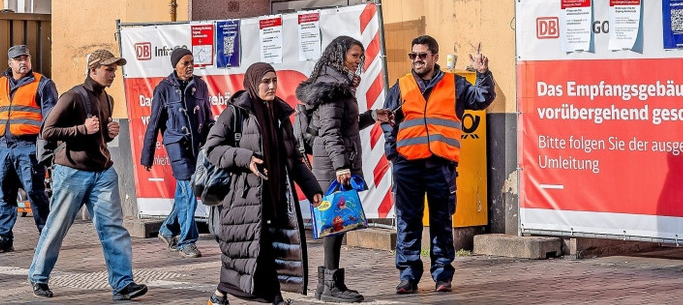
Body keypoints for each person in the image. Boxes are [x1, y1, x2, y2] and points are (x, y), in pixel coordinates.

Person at [28, 49, 148, 301]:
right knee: (57, 226)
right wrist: (81, 128)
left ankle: (123, 284)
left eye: (115, 69)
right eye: (108, 69)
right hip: (72, 173)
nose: (113, 73)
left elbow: (99, 136)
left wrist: (109, 132)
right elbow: (47, 131)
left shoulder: (108, 99)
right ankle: (38, 277)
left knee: (113, 228)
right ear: (93, 70)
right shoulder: (72, 96)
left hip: (103, 173)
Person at [382, 36, 495, 295]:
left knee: (442, 222)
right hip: (407, 166)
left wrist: (482, 73)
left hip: (440, 166)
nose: (417, 60)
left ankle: (442, 275)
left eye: (423, 55)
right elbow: (388, 122)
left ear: (434, 57)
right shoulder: (401, 86)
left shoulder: (454, 84)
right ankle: (408, 276)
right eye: (413, 56)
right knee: (407, 223)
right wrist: (393, 154)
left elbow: (482, 99)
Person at [204, 62, 324, 305]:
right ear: (252, 83)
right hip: (244, 196)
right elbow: (212, 149)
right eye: (265, 81)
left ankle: (231, 296)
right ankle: (226, 296)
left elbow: (294, 158)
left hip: (274, 194)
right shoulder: (236, 112)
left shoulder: (280, 115)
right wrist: (246, 159)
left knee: (261, 250)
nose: (271, 86)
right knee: (244, 251)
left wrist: (312, 189)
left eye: (274, 81)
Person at [295, 36, 392, 303]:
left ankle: (327, 286)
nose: (358, 61)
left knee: (336, 224)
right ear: (339, 56)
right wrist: (340, 166)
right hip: (331, 163)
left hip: (334, 160)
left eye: (360, 56)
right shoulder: (333, 86)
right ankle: (330, 287)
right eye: (354, 55)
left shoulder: (338, 84)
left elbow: (346, 125)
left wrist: (373, 116)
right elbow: (330, 131)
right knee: (335, 224)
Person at [0, 44, 58, 254]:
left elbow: (51, 118)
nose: (23, 62)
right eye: (18, 59)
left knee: (35, 192)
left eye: (26, 58)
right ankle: (4, 237)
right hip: (2, 149)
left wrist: (43, 148)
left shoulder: (42, 84)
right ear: (10, 63)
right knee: (4, 195)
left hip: (29, 147)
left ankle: (46, 235)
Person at [140, 47, 214, 259]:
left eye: (192, 62)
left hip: (197, 146)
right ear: (175, 66)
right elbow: (153, 124)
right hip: (177, 146)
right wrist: (148, 155)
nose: (190, 66)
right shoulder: (163, 88)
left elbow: (208, 117)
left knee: (184, 192)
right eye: (185, 63)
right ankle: (187, 241)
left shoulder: (200, 85)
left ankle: (167, 229)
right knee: (190, 189)